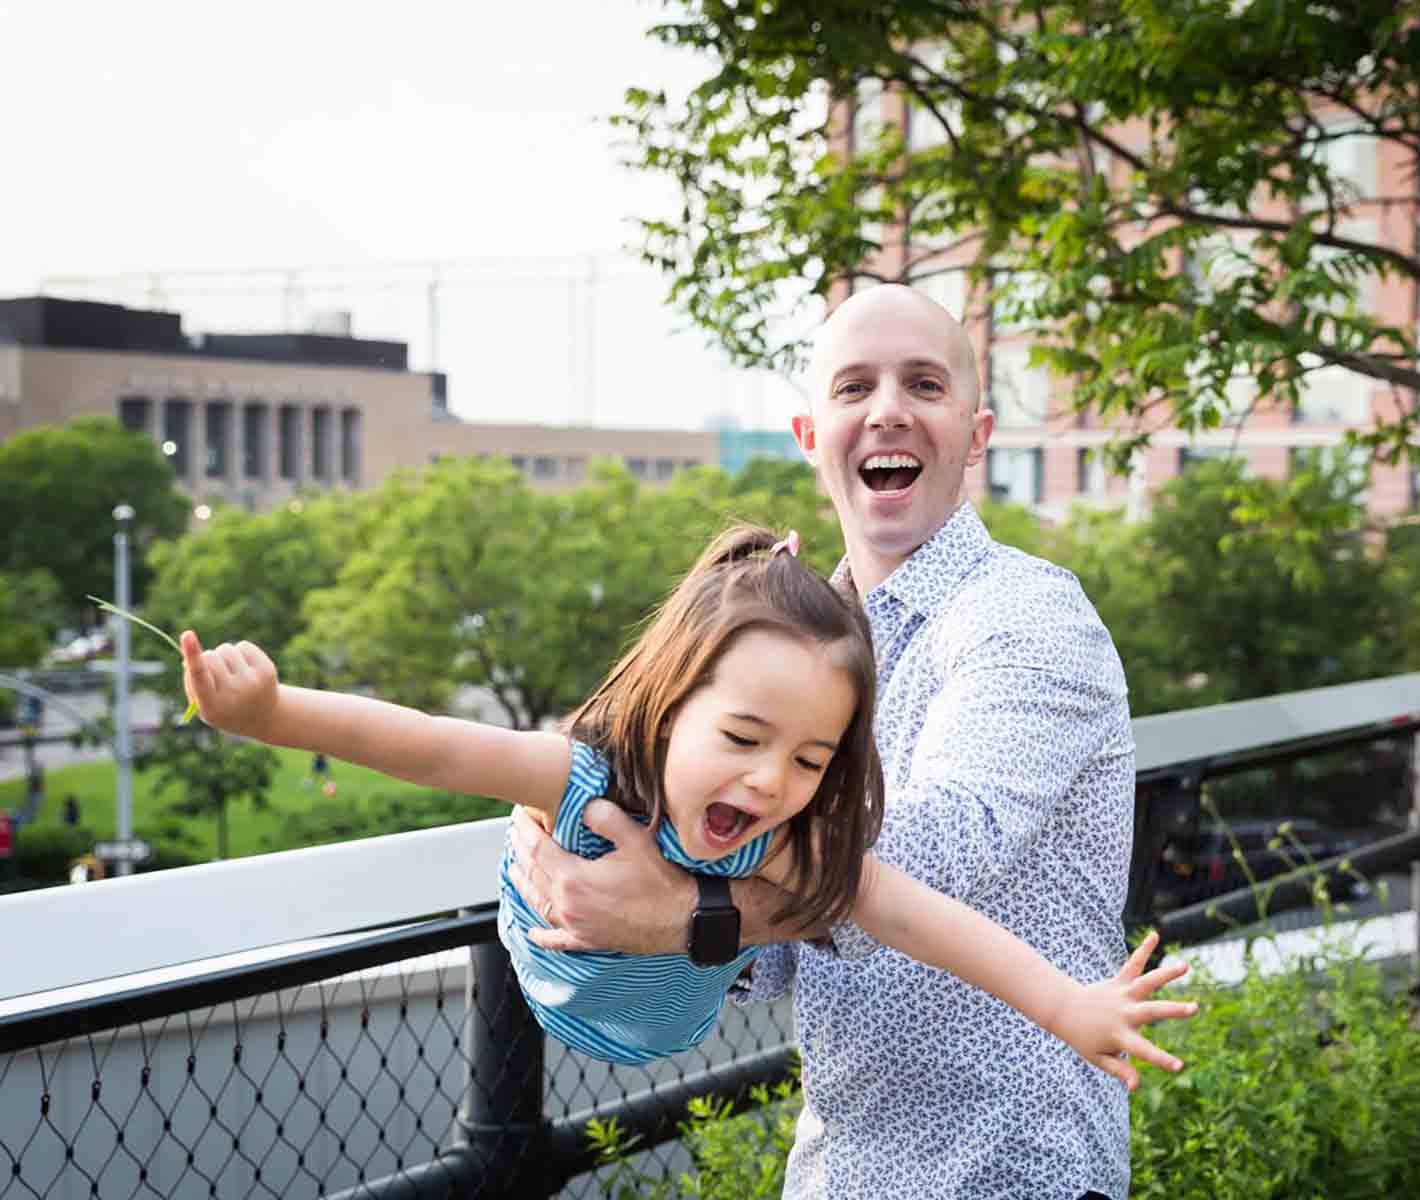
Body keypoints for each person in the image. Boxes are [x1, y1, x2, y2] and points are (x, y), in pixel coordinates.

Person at [507, 284, 1144, 1199]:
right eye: (854, 388)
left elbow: (930, 855)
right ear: (811, 439)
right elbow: (775, 963)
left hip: (1016, 1171)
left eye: (925, 385)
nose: (888, 409)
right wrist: (616, 840)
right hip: (843, 1175)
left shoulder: (1029, 616)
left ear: (977, 434)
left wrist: (689, 908)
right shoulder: (801, 650)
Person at [175, 523, 1191, 1077]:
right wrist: (272, 714)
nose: (769, 782)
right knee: (547, 820)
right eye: (744, 741)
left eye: (808, 759)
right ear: (671, 710)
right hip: (558, 976)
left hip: (666, 1016)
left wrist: (1068, 1005)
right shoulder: (593, 771)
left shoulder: (791, 841)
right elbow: (427, 745)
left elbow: (926, 920)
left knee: (834, 868)